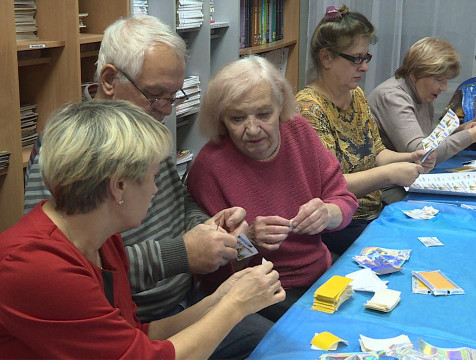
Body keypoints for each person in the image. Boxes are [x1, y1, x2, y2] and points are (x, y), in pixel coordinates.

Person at [22, 15, 274, 358]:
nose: (166, 111)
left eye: (174, 96)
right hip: (142, 316)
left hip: (168, 308)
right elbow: (85, 276)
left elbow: (177, 202)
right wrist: (184, 255)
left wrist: (211, 228)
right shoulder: (69, 154)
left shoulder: (143, 133)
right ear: (110, 79)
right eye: (156, 95)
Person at [0, 101, 285, 359]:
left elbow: (136, 335)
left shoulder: (101, 239)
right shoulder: (36, 265)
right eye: (152, 176)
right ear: (118, 186)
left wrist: (220, 299)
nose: (156, 189)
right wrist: (234, 306)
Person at [186, 55, 359, 322]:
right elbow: (213, 271)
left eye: (264, 114)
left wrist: (328, 213)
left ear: (281, 104)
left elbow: (344, 199)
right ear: (221, 118)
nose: (253, 129)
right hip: (263, 291)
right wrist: (249, 241)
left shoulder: (298, 131)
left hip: (320, 273)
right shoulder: (209, 167)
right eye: (237, 118)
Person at [295, 5, 435, 255]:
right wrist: (390, 174)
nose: (365, 67)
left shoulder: (355, 95)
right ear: (326, 58)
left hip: (371, 212)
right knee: (412, 251)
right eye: (356, 59)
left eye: (366, 58)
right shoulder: (307, 108)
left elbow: (376, 152)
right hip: (338, 225)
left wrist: (410, 157)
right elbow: (329, 187)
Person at [368, 37, 476, 166]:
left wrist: (460, 131)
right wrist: (471, 135)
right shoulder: (392, 97)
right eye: (439, 80)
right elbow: (422, 154)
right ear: (416, 73)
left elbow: (429, 143)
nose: (444, 88)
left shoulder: (421, 94)